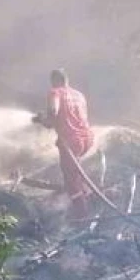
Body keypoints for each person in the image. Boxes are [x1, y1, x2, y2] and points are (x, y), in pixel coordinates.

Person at [35, 69, 95, 222]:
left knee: (70, 179)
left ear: (55, 80)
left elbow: (54, 111)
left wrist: (43, 119)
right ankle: (89, 198)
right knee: (75, 171)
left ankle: (81, 215)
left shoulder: (55, 92)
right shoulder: (79, 95)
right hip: (87, 138)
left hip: (71, 140)